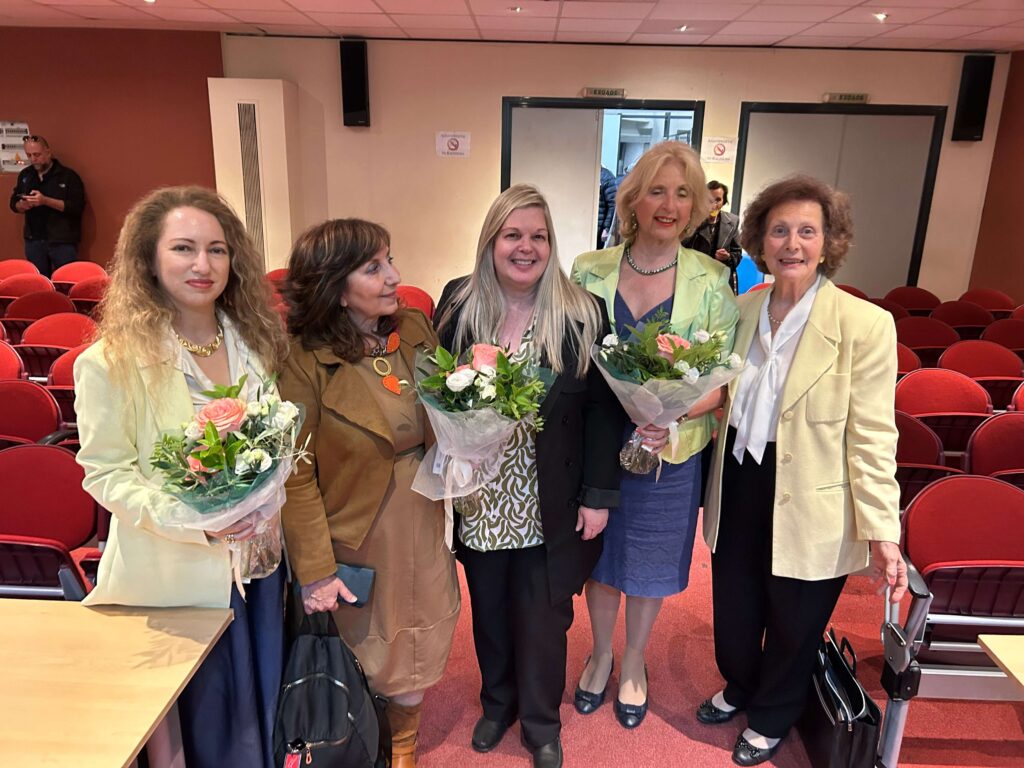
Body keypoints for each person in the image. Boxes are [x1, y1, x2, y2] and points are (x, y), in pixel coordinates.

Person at [73, 186, 289, 768]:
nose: (203, 265)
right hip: (179, 573)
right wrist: (199, 521)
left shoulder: (253, 341)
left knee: (264, 708)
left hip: (261, 563)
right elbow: (106, 474)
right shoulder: (107, 362)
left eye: (217, 250)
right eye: (184, 248)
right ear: (149, 258)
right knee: (208, 730)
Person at [697, 175, 908, 766]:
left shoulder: (865, 324)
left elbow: (873, 434)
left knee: (795, 621)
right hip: (740, 477)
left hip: (814, 494)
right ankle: (741, 684)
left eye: (807, 231)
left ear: (828, 242)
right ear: (760, 241)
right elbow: (719, 391)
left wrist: (883, 530)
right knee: (735, 610)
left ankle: (771, 715)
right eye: (779, 231)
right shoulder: (741, 310)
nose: (792, 244)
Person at [434, 184, 624, 768]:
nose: (526, 247)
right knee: (490, 612)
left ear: (551, 243)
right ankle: (498, 704)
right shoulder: (459, 303)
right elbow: (434, 392)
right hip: (481, 495)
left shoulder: (583, 312)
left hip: (552, 498)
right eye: (512, 235)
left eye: (538, 236)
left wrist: (598, 495)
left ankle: (541, 723)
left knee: (544, 619)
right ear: (491, 241)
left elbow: (604, 411)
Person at [278, 218, 460, 768]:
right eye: (373, 267)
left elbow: (451, 410)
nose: (394, 277)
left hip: (423, 514)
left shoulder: (415, 330)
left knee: (420, 633)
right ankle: (358, 733)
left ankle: (402, 744)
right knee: (365, 640)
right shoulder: (302, 361)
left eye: (390, 260)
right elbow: (296, 473)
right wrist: (315, 569)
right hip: (354, 528)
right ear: (334, 286)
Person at [571, 141, 738, 730]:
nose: (669, 205)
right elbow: (572, 358)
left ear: (696, 207)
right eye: (657, 191)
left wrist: (671, 416)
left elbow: (725, 379)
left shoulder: (713, 279)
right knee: (599, 556)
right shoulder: (588, 269)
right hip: (595, 444)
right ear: (633, 200)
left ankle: (635, 659)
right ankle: (600, 653)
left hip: (668, 449)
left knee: (648, 560)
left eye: (683, 193)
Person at [8, 135, 86, 277]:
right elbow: (14, 203)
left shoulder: (68, 176)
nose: (33, 159)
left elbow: (76, 207)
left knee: (67, 280)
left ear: (48, 152)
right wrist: (23, 205)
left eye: (37, 155)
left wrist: (45, 201)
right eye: (29, 155)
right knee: (38, 282)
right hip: (34, 239)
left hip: (61, 240)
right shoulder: (26, 175)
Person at [684, 180, 742, 294]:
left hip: (720, 281)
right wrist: (698, 222)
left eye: (718, 200)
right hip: (694, 280)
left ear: (724, 202)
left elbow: (737, 254)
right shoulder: (691, 219)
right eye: (709, 199)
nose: (713, 204)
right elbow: (680, 247)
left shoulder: (732, 222)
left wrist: (728, 258)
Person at [597, 166, 618, 248]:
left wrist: (606, 228)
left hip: (599, 228)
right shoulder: (592, 175)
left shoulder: (606, 177)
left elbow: (613, 205)